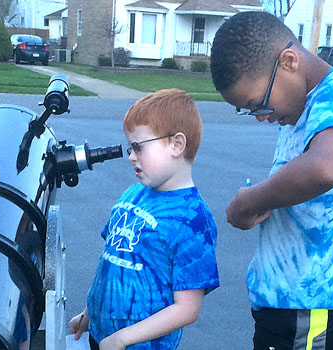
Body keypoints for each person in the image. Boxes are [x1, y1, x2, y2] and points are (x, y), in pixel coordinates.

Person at [210, 12, 333, 350]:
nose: (261, 117)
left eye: (258, 103)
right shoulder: (303, 108)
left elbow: (325, 168)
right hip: (291, 308)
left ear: (288, 61)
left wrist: (251, 200)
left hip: (315, 308)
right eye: (248, 110)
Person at [69, 88, 220, 350]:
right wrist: (89, 313)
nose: (130, 156)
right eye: (130, 147)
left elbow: (187, 309)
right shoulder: (133, 194)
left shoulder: (193, 221)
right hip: (103, 338)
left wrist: (124, 338)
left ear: (176, 144)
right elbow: (113, 264)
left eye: (138, 147)